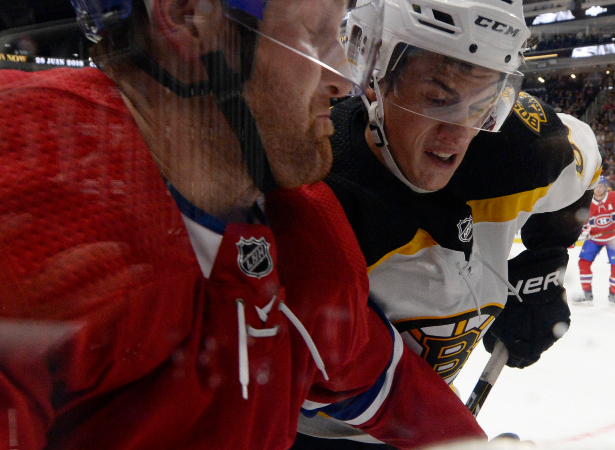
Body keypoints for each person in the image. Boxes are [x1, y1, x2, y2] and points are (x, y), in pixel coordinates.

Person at [0, 0, 487, 448]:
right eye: (316, 33)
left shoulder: (304, 240)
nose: (345, 79)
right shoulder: (29, 239)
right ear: (188, 17)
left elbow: (382, 382)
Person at [294, 0, 602, 446]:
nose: (457, 134)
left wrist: (545, 264)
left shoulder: (524, 150)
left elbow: (584, 159)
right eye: (437, 99)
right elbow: (358, 379)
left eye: (483, 103)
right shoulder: (319, 199)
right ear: (375, 76)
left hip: (427, 410)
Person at [574, 175, 615, 306]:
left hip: (614, 238)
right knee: (583, 263)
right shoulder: (586, 201)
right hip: (594, 238)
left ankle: (614, 294)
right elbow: (581, 224)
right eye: (596, 186)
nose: (598, 189)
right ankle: (586, 293)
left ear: (606, 187)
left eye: (601, 186)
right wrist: (573, 236)